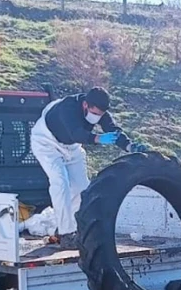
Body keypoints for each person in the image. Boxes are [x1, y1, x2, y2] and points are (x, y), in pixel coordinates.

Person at [30, 87, 146, 249]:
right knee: (60, 182)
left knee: (82, 187)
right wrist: (98, 138)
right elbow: (76, 133)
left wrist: (129, 146)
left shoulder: (99, 111)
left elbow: (112, 130)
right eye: (96, 113)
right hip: (47, 143)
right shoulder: (67, 108)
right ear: (85, 105)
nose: (97, 117)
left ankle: (74, 228)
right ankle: (66, 233)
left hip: (72, 147)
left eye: (101, 114)